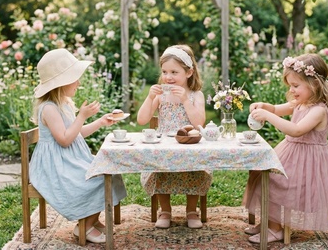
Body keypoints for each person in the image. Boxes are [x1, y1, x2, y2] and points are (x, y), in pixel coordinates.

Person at [242, 54, 328, 243]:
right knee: (260, 172)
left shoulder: (318, 110)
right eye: (290, 85)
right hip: (294, 156)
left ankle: (276, 230)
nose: (292, 90)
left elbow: (296, 130)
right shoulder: (301, 103)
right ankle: (271, 221)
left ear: (314, 84)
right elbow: (277, 109)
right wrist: (265, 107)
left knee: (273, 181)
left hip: (310, 166)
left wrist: (267, 116)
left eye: (296, 86)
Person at [29, 49, 127, 244]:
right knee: (97, 181)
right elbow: (65, 139)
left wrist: (100, 122)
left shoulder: (64, 104)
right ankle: (84, 227)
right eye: (75, 79)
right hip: (56, 166)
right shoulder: (48, 108)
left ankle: (92, 219)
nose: (78, 83)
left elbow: (76, 133)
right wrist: (82, 116)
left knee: (109, 173)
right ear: (61, 83)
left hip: (70, 159)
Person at [137, 44, 211, 229]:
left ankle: (192, 210)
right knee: (161, 166)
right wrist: (149, 98)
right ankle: (165, 210)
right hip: (165, 145)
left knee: (195, 167)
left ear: (188, 73)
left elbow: (199, 123)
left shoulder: (196, 95)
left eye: (174, 72)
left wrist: (185, 99)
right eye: (164, 72)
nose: (168, 77)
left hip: (189, 144)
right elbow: (142, 119)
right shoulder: (161, 96)